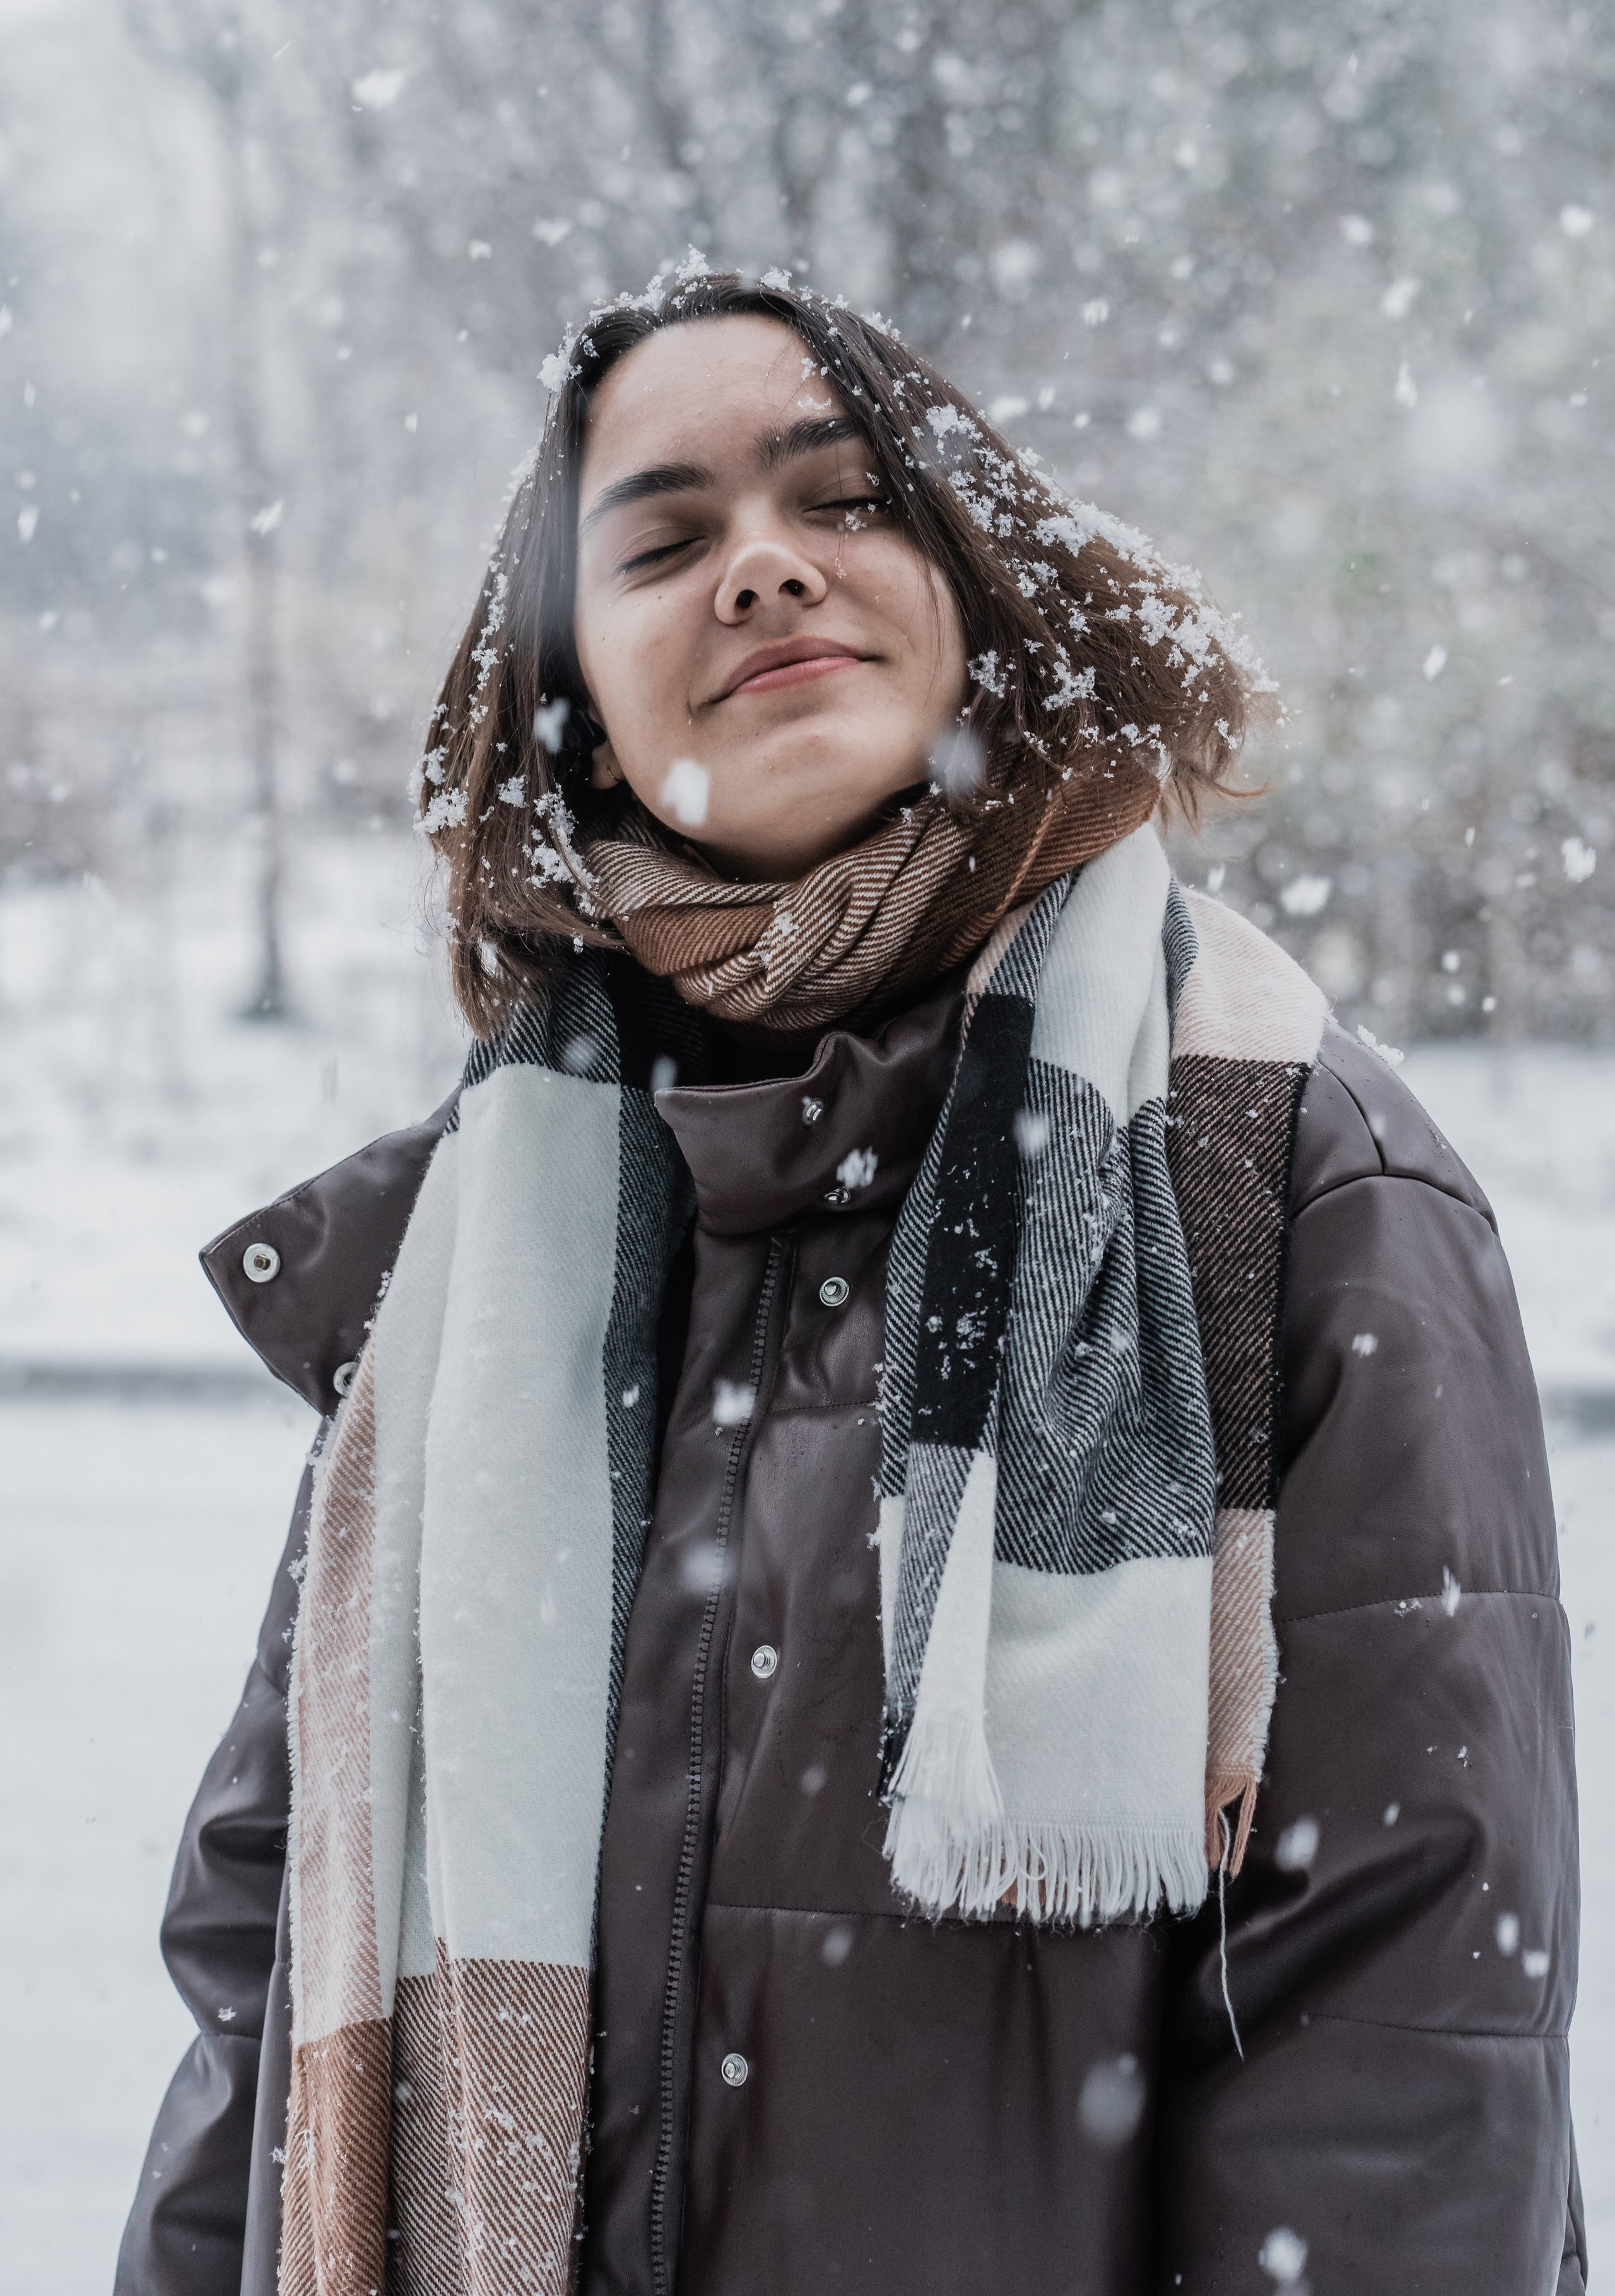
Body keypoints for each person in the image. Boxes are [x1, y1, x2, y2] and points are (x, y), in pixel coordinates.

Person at [115, 267, 1583, 2296]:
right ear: (576, 708)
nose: (761, 571)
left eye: (842, 497)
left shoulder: (1288, 1173)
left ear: (975, 576)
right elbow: (258, 1980)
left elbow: (1405, 2042)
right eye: (664, 538)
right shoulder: (473, 1256)